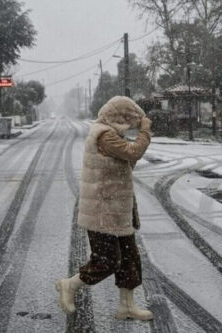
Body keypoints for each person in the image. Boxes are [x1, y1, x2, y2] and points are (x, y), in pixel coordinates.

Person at [56, 96, 153, 321]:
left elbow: (127, 162)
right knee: (106, 261)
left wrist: (138, 138)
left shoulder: (111, 135)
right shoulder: (104, 135)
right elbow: (132, 153)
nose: (132, 124)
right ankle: (69, 285)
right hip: (103, 212)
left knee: (129, 259)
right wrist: (145, 132)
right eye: (129, 119)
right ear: (119, 117)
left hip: (119, 209)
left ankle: (126, 307)